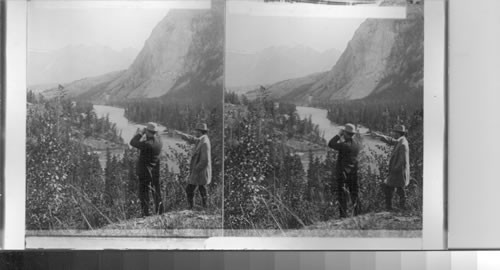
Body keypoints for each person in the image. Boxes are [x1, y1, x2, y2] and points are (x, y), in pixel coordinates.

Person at [372, 124, 410, 211]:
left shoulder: (403, 144)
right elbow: (391, 141)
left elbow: (402, 161)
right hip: (398, 171)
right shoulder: (401, 140)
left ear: (398, 133)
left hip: (398, 171)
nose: (393, 134)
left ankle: (392, 207)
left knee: (389, 187)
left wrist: (393, 170)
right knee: (399, 189)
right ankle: (401, 207)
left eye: (394, 132)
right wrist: (379, 136)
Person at [328, 123, 362, 218]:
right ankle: (358, 213)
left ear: (346, 133)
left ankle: (343, 215)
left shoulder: (344, 145)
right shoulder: (357, 144)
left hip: (343, 173)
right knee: (354, 193)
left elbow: (330, 144)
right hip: (353, 172)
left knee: (342, 194)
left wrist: (339, 135)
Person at [130, 122, 164, 216]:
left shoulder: (147, 144)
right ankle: (160, 211)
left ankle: (145, 214)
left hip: (145, 172)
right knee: (156, 191)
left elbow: (132, 142)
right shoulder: (159, 141)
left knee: (144, 193)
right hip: (155, 171)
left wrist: (141, 133)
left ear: (148, 132)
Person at [175, 123, 212, 209]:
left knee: (190, 189)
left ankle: (191, 207)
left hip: (200, 171)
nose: (195, 132)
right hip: (200, 171)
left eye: (197, 131)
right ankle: (204, 207)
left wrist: (195, 170)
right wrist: (181, 134)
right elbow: (192, 139)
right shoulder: (202, 139)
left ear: (200, 131)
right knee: (202, 189)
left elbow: (204, 160)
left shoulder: (204, 143)